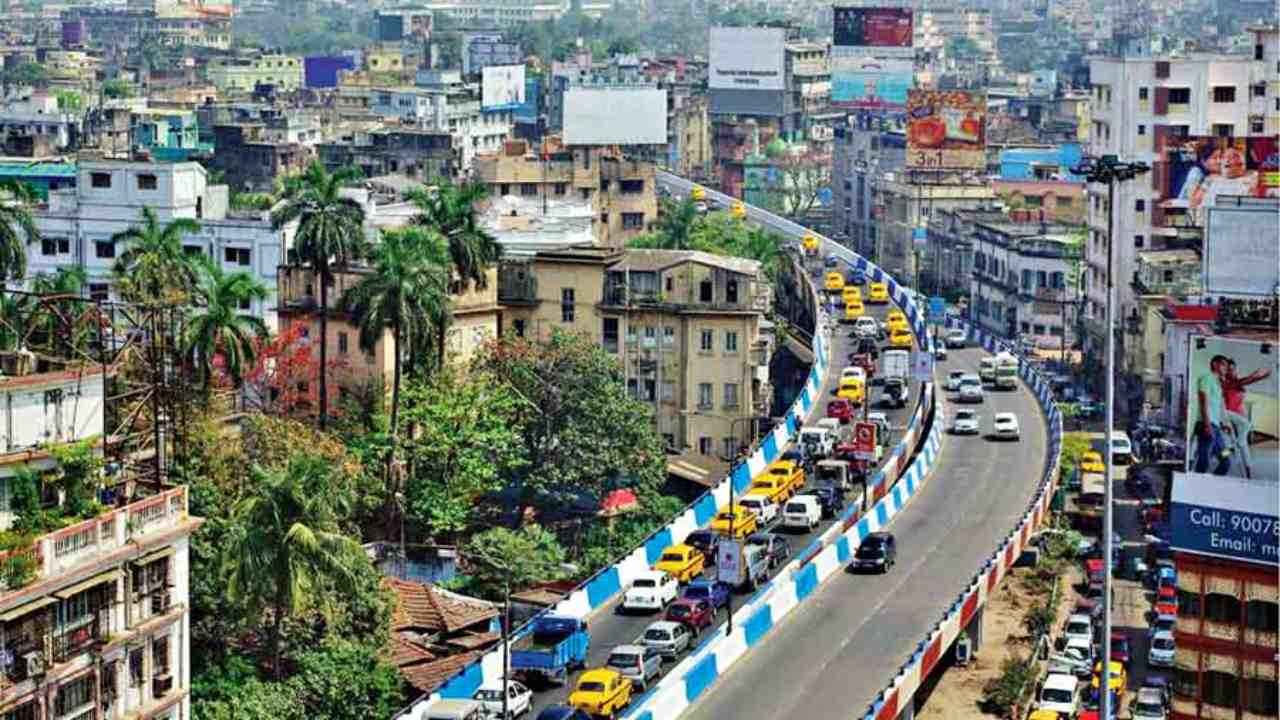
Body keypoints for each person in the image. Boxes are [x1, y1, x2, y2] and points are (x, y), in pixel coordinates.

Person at [1221, 358, 1272, 479]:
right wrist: (1257, 376)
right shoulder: (1227, 383)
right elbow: (1246, 381)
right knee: (1232, 445)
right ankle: (1222, 455)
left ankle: (1248, 472)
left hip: (1239, 417)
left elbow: (1244, 382)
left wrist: (1261, 377)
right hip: (1229, 417)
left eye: (1233, 369)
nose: (1231, 372)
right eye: (1229, 370)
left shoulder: (1237, 381)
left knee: (1242, 445)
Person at [1193, 354, 1232, 475]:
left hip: (1216, 427)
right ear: (1215, 364)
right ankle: (1197, 486)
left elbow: (1214, 408)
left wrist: (1222, 424)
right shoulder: (1206, 378)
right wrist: (1207, 424)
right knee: (1204, 461)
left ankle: (1211, 484)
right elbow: (1203, 402)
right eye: (1224, 365)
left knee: (1226, 459)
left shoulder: (1217, 384)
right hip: (1206, 425)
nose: (1226, 368)